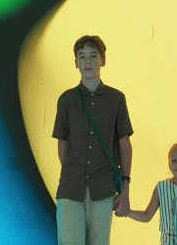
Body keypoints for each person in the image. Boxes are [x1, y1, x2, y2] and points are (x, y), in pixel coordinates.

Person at [52, 35, 134, 245]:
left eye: (93, 56)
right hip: (70, 187)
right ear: (76, 63)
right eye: (82, 57)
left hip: (103, 187)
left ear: (103, 60)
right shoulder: (66, 100)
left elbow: (124, 143)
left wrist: (125, 190)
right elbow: (62, 144)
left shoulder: (116, 99)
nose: (87, 61)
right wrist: (74, 170)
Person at [127, 143, 177, 245]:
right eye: (174, 161)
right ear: (169, 164)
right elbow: (146, 216)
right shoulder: (161, 188)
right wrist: (127, 212)